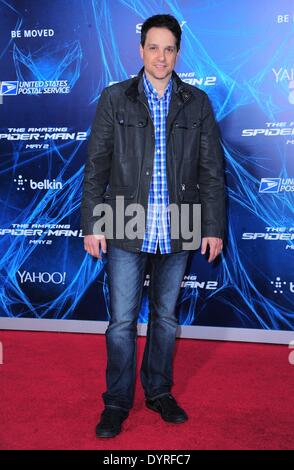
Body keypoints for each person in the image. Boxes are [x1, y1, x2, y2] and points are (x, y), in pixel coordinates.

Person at [81, 14, 226, 438]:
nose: (160, 56)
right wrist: (93, 221)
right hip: (124, 219)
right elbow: (96, 167)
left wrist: (212, 226)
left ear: (178, 53)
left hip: (180, 222)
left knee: (165, 319)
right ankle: (116, 401)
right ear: (141, 50)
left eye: (168, 49)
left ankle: (159, 391)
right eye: (153, 47)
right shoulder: (114, 98)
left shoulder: (196, 102)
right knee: (121, 322)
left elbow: (212, 172)